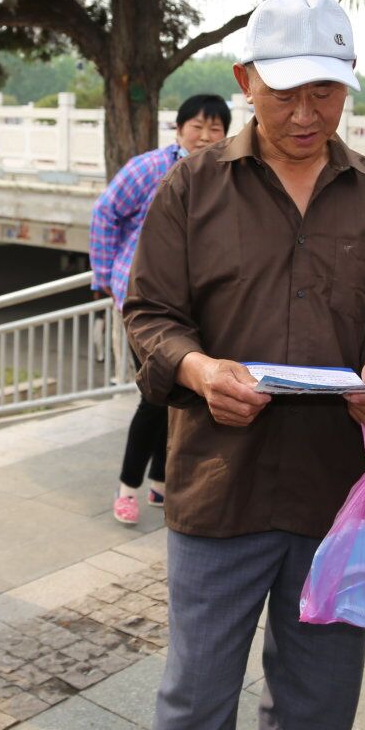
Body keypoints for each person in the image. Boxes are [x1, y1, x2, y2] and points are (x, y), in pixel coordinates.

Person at [124, 0, 365, 730]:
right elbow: (151, 316)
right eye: (286, 91)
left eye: (325, 91)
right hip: (217, 484)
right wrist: (197, 370)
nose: (306, 112)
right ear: (245, 80)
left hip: (338, 492)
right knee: (196, 697)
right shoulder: (190, 189)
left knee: (317, 699)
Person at [89, 93, 231, 526]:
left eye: (215, 129)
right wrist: (107, 278)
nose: (205, 137)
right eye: (197, 127)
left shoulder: (227, 173)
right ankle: (127, 489)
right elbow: (105, 213)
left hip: (194, 302)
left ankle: (160, 484)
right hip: (144, 302)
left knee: (179, 396)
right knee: (156, 395)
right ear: (179, 128)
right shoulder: (150, 168)